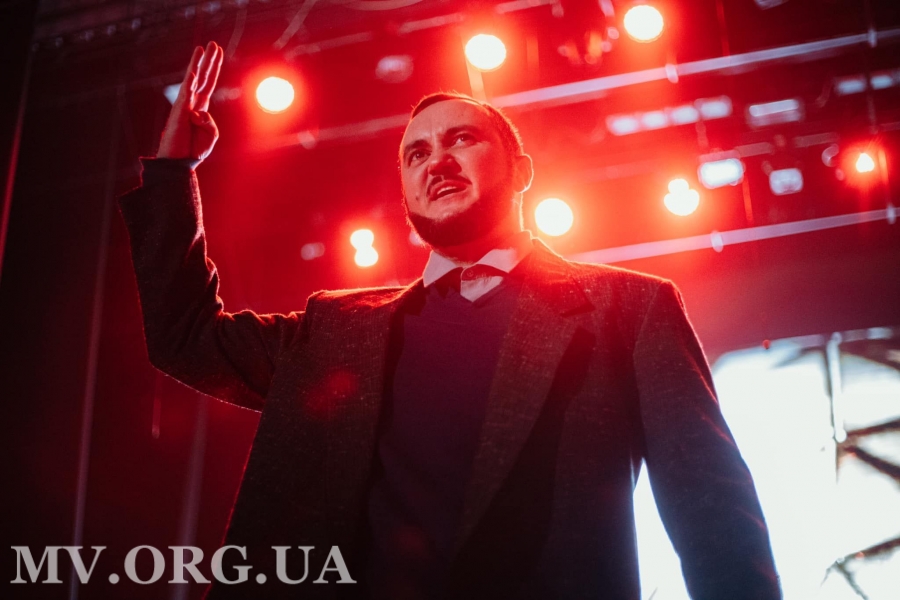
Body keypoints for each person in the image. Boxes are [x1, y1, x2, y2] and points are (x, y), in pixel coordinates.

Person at [119, 42, 781, 600]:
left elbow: (712, 507)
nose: (436, 160)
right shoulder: (334, 329)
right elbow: (186, 338)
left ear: (521, 171)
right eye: (416, 153)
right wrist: (173, 173)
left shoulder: (629, 309)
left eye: (461, 139)